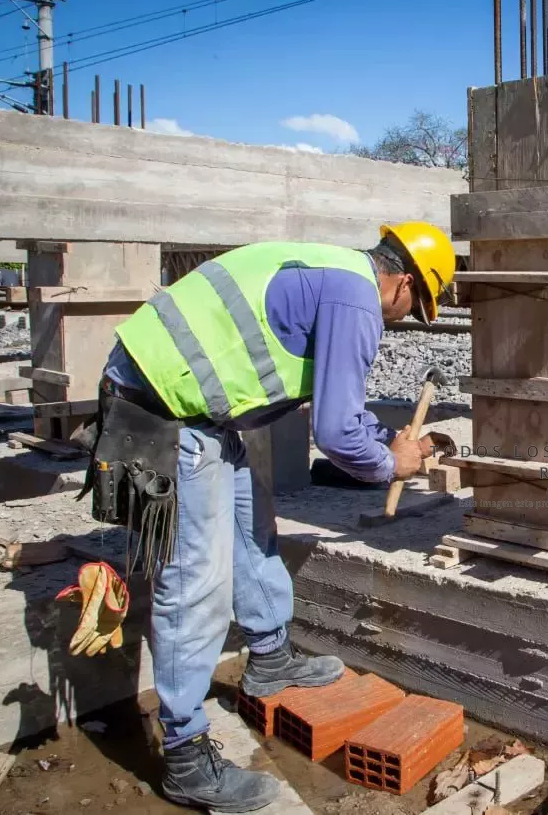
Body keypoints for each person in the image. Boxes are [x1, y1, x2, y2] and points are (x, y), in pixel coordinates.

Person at [93, 222, 457, 811]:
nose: (401, 322)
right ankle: (185, 755)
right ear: (403, 283)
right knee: (195, 582)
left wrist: (387, 442)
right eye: (414, 308)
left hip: (196, 407)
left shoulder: (335, 275)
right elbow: (336, 431)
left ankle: (268, 657)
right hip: (162, 409)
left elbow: (343, 409)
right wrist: (390, 465)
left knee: (250, 524)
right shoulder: (356, 298)